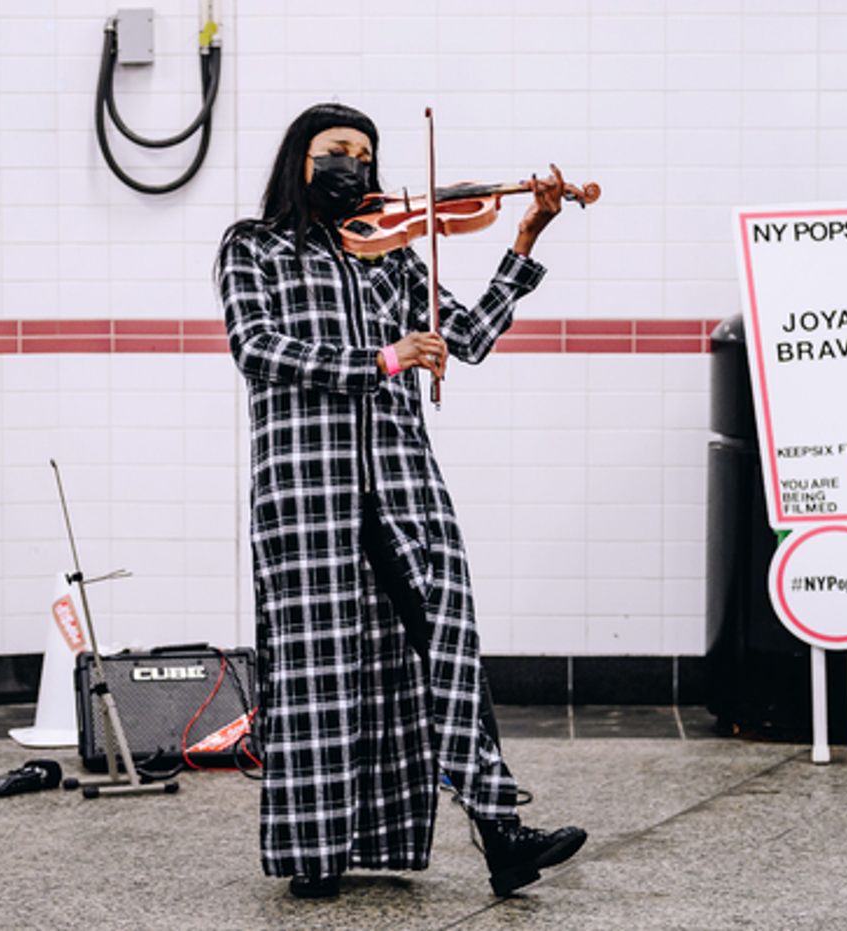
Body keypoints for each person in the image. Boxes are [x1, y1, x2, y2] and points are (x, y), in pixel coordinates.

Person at [216, 102, 586, 900]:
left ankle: (502, 831)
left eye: (364, 154)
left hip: (403, 485)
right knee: (317, 669)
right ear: (300, 158)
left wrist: (526, 239)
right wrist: (382, 359)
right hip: (307, 496)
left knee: (446, 648)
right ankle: (316, 851)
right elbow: (258, 347)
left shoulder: (392, 254)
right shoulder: (253, 247)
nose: (352, 164)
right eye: (336, 150)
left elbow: (470, 337)